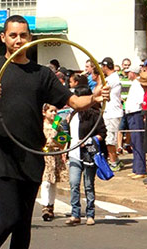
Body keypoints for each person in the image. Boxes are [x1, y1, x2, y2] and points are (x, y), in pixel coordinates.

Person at [0, 15, 110, 249]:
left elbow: (73, 102)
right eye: (13, 35)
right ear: (3, 37)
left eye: (23, 35)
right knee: (9, 217)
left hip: (31, 153)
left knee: (23, 223)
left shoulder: (41, 74)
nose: (18, 40)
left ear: (30, 38)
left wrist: (94, 98)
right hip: (1, 151)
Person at [66, 86, 107, 226]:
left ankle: (90, 213)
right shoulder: (71, 114)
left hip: (88, 154)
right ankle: (75, 213)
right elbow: (64, 132)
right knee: (73, 183)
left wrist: (88, 141)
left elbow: (102, 133)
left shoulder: (94, 115)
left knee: (88, 185)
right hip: (73, 154)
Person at [39, 104, 68, 221]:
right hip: (44, 156)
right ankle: (45, 206)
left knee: (53, 182)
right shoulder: (40, 125)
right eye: (51, 111)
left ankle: (51, 206)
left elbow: (63, 141)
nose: (54, 113)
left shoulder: (57, 125)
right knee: (45, 182)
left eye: (56, 111)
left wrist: (55, 142)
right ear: (44, 112)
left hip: (54, 155)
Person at [99, 57, 124, 172]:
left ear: (105, 66)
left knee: (110, 140)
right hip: (111, 112)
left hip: (112, 113)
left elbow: (100, 90)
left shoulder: (111, 79)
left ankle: (114, 163)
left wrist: (99, 80)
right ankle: (116, 160)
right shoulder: (112, 78)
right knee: (109, 138)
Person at [125, 65, 147, 179]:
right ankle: (136, 168)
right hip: (131, 114)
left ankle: (141, 170)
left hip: (136, 114)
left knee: (138, 141)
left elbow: (140, 100)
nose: (127, 74)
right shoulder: (134, 84)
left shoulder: (137, 84)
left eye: (129, 72)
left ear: (133, 73)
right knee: (134, 142)